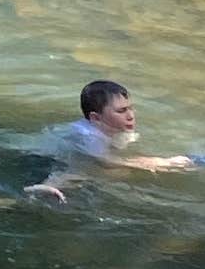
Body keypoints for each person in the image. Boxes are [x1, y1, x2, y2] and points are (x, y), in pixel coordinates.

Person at [24, 78, 195, 203]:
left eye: (131, 108)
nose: (131, 115)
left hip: (67, 148)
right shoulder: (90, 136)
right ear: (96, 118)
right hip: (46, 155)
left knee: (113, 172)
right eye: (121, 111)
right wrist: (156, 163)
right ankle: (42, 188)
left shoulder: (107, 129)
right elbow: (106, 161)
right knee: (83, 171)